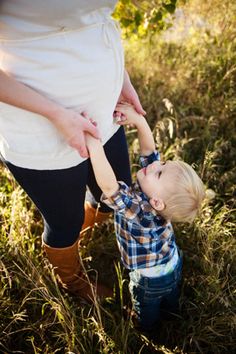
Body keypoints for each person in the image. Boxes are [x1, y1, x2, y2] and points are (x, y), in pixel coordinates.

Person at [0, 1, 145, 301]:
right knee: (64, 221)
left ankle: (88, 226)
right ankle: (73, 282)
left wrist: (120, 77)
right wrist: (55, 114)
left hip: (104, 114)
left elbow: (93, 21)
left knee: (114, 195)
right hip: (40, 126)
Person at [85, 102, 205, 331]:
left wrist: (95, 146)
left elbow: (110, 187)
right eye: (164, 163)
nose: (156, 164)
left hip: (149, 280)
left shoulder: (141, 213)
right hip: (172, 263)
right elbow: (150, 154)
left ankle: (146, 328)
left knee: (146, 307)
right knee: (171, 298)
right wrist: (139, 122)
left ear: (158, 202)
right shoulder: (157, 198)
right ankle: (172, 312)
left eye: (159, 171)